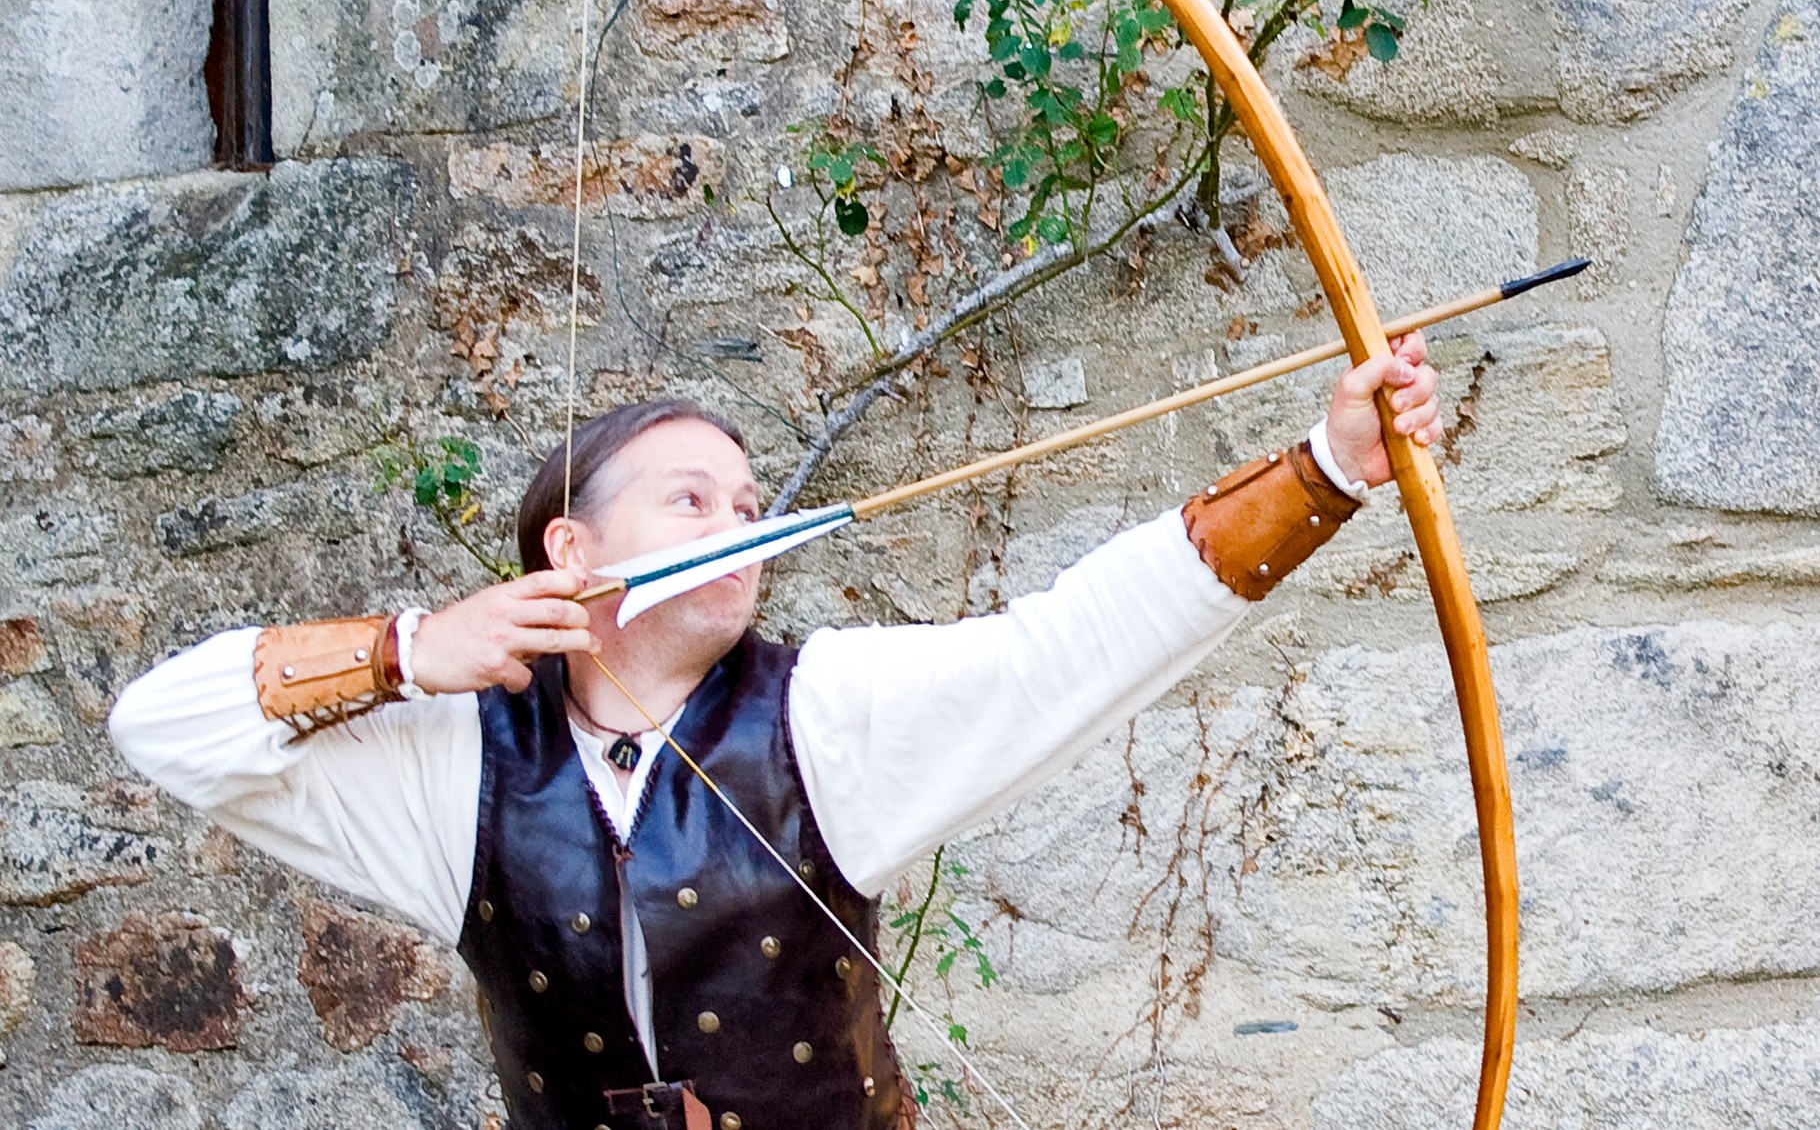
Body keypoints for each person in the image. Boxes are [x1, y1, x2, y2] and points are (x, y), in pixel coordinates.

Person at [109, 336, 1443, 1130]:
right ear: (571, 547)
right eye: (690, 498)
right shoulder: (458, 765)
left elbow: (1068, 650)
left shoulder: (826, 711)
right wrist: (410, 651)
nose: (736, 517)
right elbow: (157, 726)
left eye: (746, 496)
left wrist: (1324, 472)